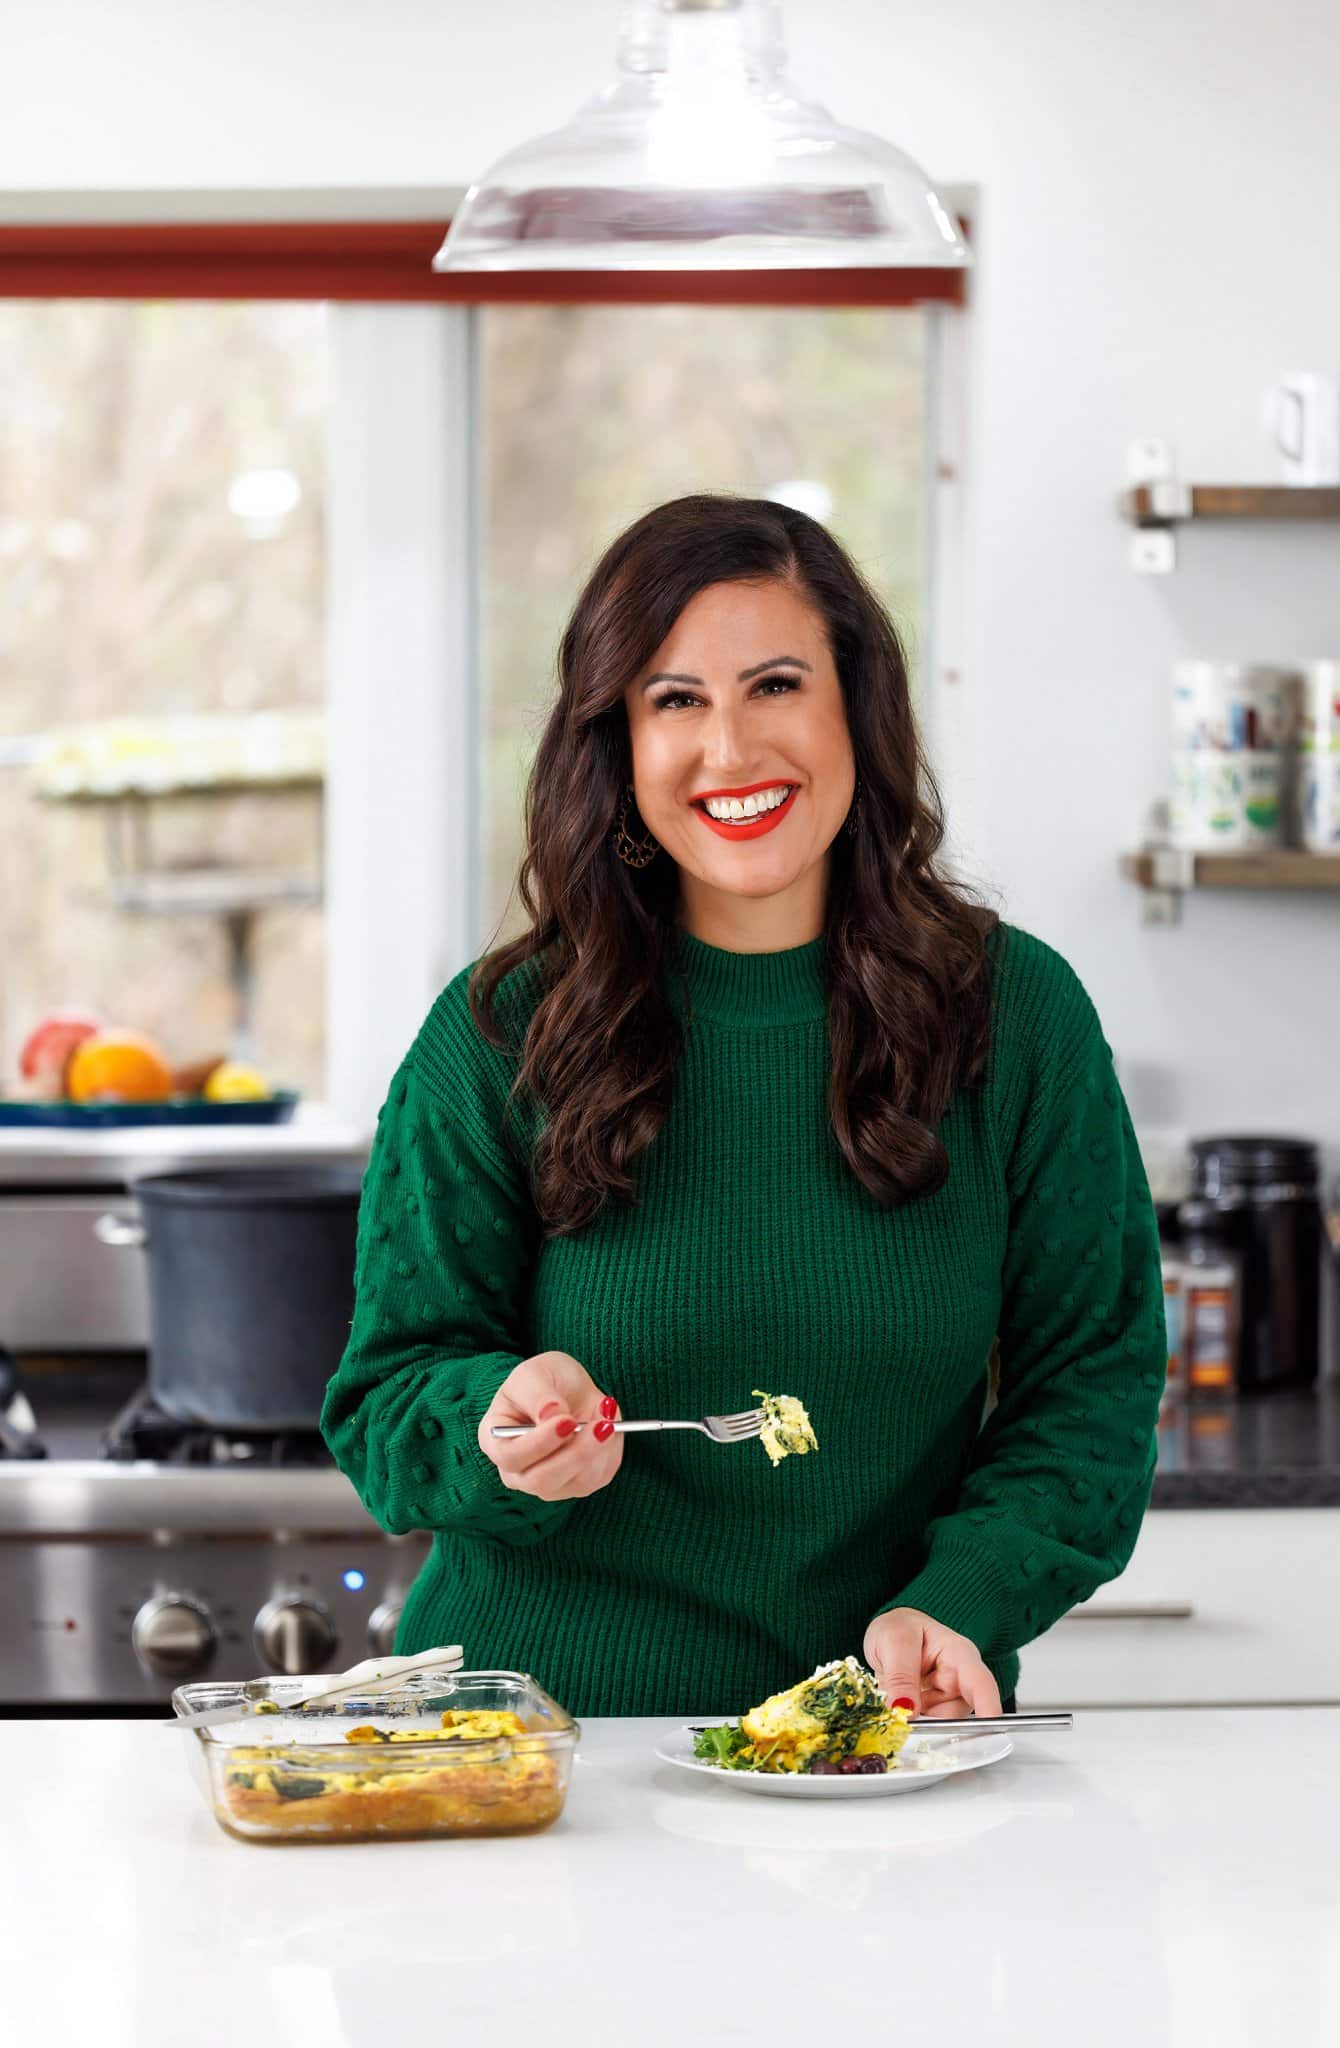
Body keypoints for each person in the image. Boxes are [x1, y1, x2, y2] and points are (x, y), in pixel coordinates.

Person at [321, 492, 1167, 1722]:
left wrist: (966, 1593)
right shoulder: (497, 1031)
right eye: (675, 700)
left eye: (774, 685)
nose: (729, 750)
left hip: (878, 1748)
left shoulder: (1014, 1014)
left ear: (853, 709)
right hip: (542, 1755)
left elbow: (1089, 1385)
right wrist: (491, 1425)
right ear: (617, 738)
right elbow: (387, 1390)